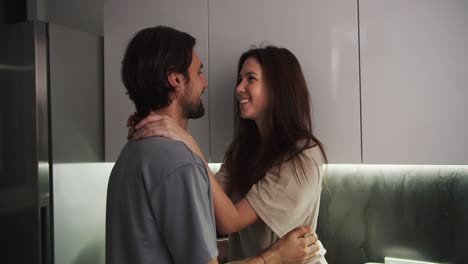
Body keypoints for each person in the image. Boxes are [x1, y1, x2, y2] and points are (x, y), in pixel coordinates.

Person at [106, 25, 320, 264]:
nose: (238, 88)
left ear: (278, 89)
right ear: (176, 80)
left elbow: (224, 218)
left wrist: (190, 145)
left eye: (250, 79)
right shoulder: (187, 163)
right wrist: (273, 256)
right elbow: (210, 210)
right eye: (199, 72)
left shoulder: (300, 157)